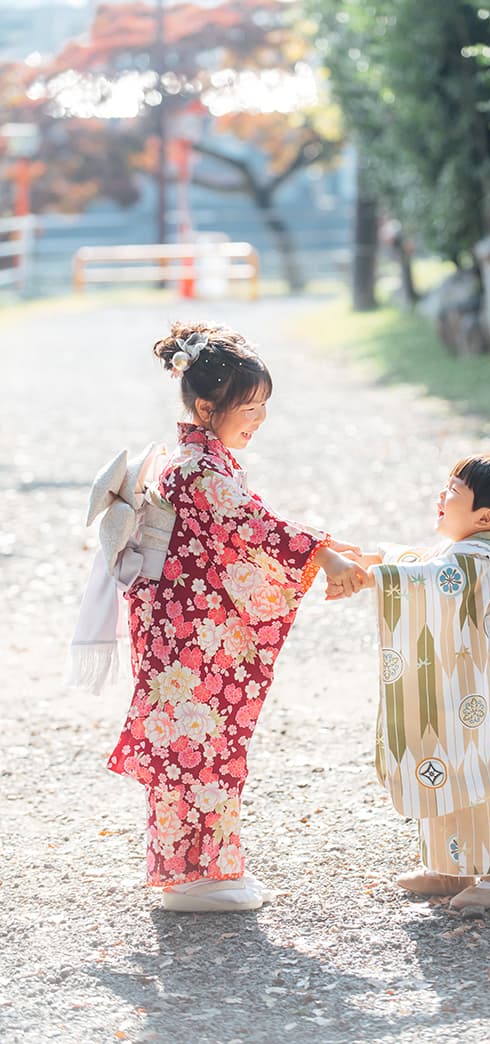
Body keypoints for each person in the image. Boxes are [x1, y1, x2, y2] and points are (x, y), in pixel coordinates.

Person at [72, 321, 367, 912]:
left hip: (189, 626)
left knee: (205, 743)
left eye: (263, 406)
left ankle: (204, 870)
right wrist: (325, 555)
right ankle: (190, 878)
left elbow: (249, 527)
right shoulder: (195, 468)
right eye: (249, 406)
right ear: (207, 406)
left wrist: (332, 553)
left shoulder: (203, 461)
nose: (258, 418)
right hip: (188, 636)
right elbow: (257, 527)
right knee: (194, 745)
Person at [332, 454, 490, 914]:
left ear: (485, 518)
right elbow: (425, 565)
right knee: (441, 762)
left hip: (485, 698)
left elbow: (432, 580)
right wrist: (380, 559)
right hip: (461, 686)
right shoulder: (466, 554)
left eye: (453, 493)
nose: (440, 498)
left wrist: (373, 579)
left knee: (475, 775)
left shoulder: (485, 561)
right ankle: (453, 865)